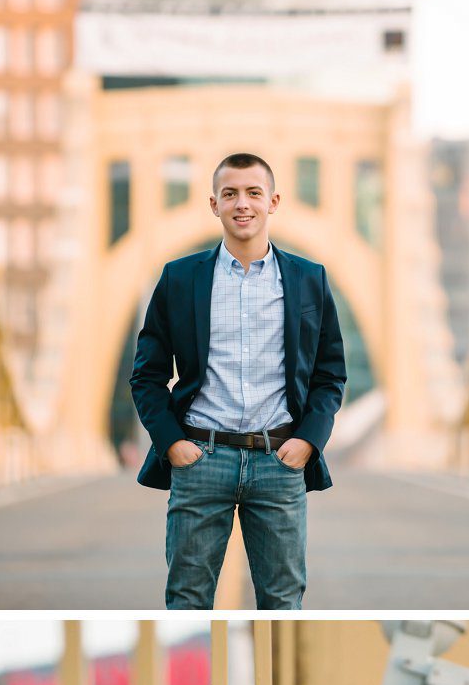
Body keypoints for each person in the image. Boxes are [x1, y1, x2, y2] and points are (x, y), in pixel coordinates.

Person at [129, 152, 346, 612]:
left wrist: (308, 442)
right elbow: (147, 375)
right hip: (201, 458)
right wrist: (173, 444)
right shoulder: (179, 278)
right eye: (230, 194)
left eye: (253, 193)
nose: (242, 203)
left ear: (273, 201)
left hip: (280, 461)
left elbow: (330, 375)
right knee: (186, 600)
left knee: (284, 603)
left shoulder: (310, 279)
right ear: (214, 204)